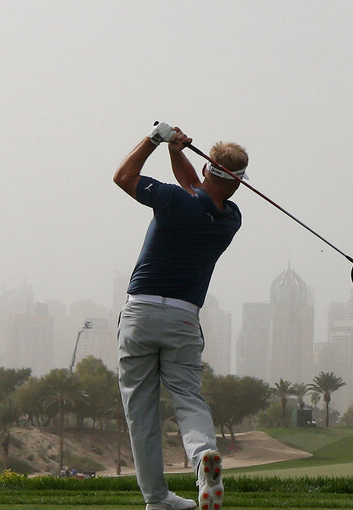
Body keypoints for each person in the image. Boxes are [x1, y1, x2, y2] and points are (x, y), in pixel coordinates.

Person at [114, 121, 248, 510]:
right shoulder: (231, 218)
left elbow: (124, 176)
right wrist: (178, 152)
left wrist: (154, 140)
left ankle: (157, 498)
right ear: (238, 181)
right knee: (188, 397)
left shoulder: (173, 200)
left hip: (140, 312)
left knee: (141, 409)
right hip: (184, 319)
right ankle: (204, 457)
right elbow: (200, 191)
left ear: (208, 168)